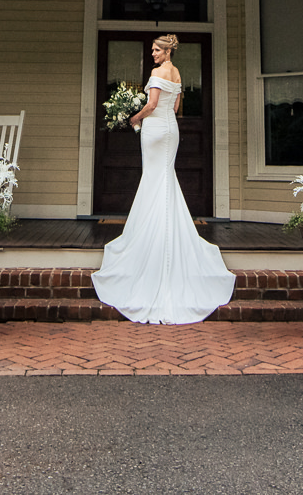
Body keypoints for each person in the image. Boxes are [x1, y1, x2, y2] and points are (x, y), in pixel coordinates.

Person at [90, 34, 236, 323]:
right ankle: (168, 230)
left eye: (157, 50)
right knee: (164, 178)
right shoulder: (178, 73)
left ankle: (152, 236)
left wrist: (135, 118)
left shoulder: (158, 72)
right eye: (153, 50)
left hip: (155, 128)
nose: (153, 53)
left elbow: (153, 104)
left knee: (155, 178)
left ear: (167, 51)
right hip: (171, 130)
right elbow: (177, 104)